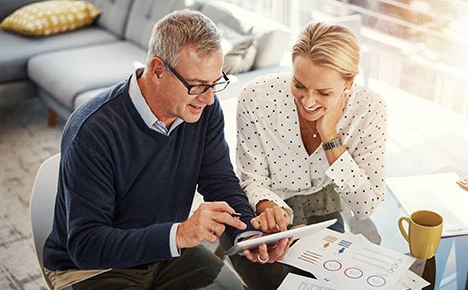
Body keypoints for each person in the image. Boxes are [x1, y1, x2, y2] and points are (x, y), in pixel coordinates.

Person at [42, 10, 290, 290]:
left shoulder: (203, 110)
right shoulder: (93, 130)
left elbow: (219, 182)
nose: (209, 99)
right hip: (95, 268)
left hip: (168, 253)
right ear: (158, 69)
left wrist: (248, 234)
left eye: (215, 83)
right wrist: (179, 235)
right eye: (197, 86)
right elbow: (86, 245)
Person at [230, 21, 387, 290]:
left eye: (324, 92)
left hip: (323, 209)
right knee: (273, 284)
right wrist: (269, 209)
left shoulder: (369, 109)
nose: (308, 102)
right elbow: (251, 178)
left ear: (349, 83)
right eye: (299, 85)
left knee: (331, 283)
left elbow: (364, 208)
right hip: (264, 210)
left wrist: (330, 135)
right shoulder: (256, 98)